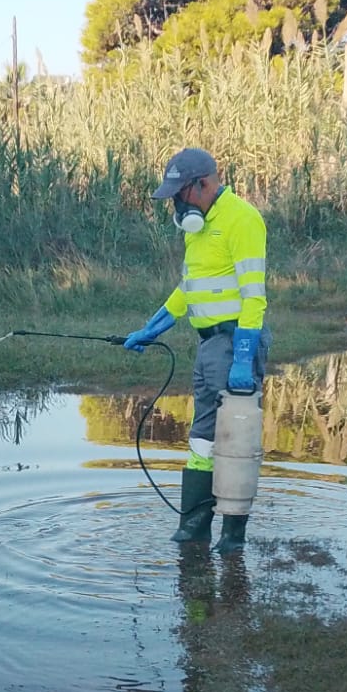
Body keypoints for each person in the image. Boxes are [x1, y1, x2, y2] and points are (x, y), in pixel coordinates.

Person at [121, 147, 269, 553]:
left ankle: (232, 538)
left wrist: (243, 356)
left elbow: (254, 297)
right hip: (208, 346)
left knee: (236, 436)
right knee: (202, 436)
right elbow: (190, 290)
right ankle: (195, 526)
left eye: (178, 194)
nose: (175, 203)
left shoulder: (242, 220)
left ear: (202, 184)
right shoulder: (198, 228)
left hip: (235, 340)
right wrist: (152, 328)